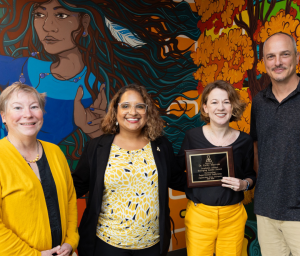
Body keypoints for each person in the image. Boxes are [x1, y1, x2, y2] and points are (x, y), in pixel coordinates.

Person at [0, 0, 201, 153]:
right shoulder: (23, 65)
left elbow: (120, 161)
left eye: (61, 15)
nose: (47, 26)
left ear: (84, 22)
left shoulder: (101, 89)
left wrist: (94, 132)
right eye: (39, 14)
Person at [72, 84, 186, 256]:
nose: (132, 112)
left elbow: (177, 179)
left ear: (147, 112)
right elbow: (77, 185)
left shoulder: (161, 146)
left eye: (139, 106)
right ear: (115, 112)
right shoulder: (97, 147)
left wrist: (213, 180)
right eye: (125, 106)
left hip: (151, 245)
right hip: (106, 244)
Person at [177, 80, 256, 256]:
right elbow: (179, 171)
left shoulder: (244, 141)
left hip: (233, 216)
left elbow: (251, 174)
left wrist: (244, 184)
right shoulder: (192, 137)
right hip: (200, 215)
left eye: (226, 102)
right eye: (214, 102)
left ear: (232, 107)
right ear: (205, 108)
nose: (220, 107)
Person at [0, 83, 79, 256]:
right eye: (17, 108)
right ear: (3, 116)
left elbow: (70, 200)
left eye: (34, 106)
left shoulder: (55, 152)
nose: (28, 114)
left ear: (42, 113)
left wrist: (71, 242)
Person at [250, 32, 300, 256]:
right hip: (267, 210)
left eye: (285, 54)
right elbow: (258, 146)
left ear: (296, 57)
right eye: (271, 56)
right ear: (264, 63)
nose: (278, 61)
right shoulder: (259, 102)